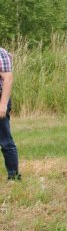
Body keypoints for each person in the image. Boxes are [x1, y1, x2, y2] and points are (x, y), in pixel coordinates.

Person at [0, 47, 21, 180]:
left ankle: (13, 176)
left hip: (0, 99)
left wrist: (3, 105)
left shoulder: (1, 53)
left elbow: (8, 78)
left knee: (5, 140)